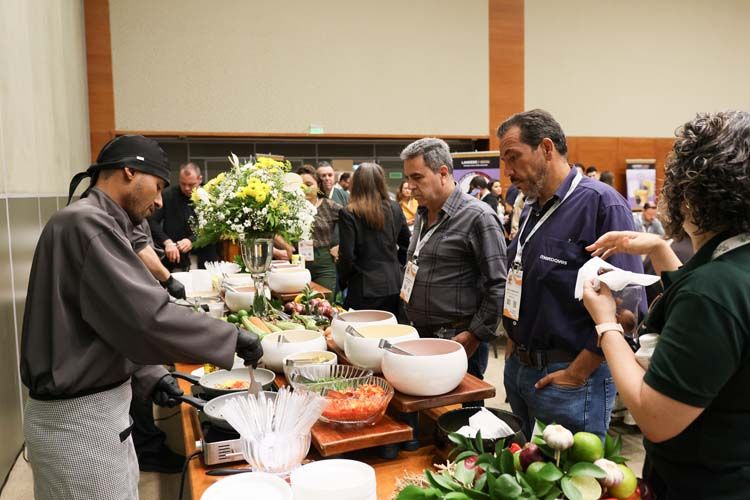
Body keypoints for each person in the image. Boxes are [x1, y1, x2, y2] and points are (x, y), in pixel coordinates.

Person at [21, 135, 263, 499]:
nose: (160, 200)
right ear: (129, 171)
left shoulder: (90, 220)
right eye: (159, 186)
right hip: (79, 422)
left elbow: (108, 323)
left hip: (94, 413)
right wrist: (231, 337)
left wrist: (149, 374)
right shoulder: (88, 223)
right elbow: (147, 318)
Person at [582, 111, 750, 499]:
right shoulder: (730, 266)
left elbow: (655, 415)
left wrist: (606, 326)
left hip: (706, 483)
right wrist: (659, 250)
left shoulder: (712, 291)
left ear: (689, 193)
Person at [497, 109, 643, 439]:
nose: (508, 171)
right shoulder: (533, 207)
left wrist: (577, 373)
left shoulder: (601, 204)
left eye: (514, 157)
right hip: (521, 369)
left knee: (571, 471)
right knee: (527, 467)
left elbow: (629, 308)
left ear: (546, 148)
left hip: (571, 378)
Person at [400, 138, 507, 398]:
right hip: (421, 334)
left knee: (460, 416)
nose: (410, 186)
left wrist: (475, 334)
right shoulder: (423, 213)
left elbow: (498, 284)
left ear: (443, 173)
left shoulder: (478, 217)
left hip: (456, 339)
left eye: (417, 177)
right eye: (408, 178)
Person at [337, 163, 410, 316]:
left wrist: (342, 281)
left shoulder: (348, 213)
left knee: (360, 329)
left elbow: (347, 256)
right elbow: (406, 245)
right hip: (394, 284)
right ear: (381, 182)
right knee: (391, 328)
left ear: (355, 184)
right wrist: (397, 267)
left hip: (363, 286)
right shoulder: (395, 208)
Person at [148, 162, 218, 270]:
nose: (186, 188)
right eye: (183, 184)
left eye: (191, 184)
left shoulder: (211, 196)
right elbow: (151, 221)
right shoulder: (168, 195)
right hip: (175, 257)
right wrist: (167, 242)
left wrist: (192, 241)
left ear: (200, 179)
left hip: (205, 257)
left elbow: (214, 227)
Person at [296, 165, 342, 291]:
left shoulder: (329, 206)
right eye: (300, 185)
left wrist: (340, 246)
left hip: (324, 263)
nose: (304, 188)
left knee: (324, 299)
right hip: (297, 262)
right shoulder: (291, 207)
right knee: (298, 300)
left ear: (318, 185)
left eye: (309, 184)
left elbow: (353, 223)